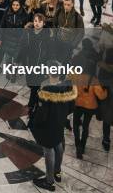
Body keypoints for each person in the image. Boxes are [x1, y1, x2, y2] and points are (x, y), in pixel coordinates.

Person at [29, 61, 77, 191]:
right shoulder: (68, 86)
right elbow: (71, 106)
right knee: (59, 144)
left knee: (49, 150)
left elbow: (42, 115)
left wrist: (34, 123)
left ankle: (49, 181)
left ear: (49, 72)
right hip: (59, 122)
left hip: (48, 126)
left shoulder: (47, 90)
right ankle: (58, 172)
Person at [70, 55, 106, 159]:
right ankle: (82, 146)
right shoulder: (94, 80)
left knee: (76, 125)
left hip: (78, 104)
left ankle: (77, 144)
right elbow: (101, 96)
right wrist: (106, 91)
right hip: (90, 107)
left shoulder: (76, 77)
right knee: (85, 126)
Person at [21, 14, 53, 112]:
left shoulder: (47, 36)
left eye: (39, 22)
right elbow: (22, 47)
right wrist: (18, 60)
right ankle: (37, 99)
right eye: (35, 21)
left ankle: (32, 105)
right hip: (29, 63)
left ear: (43, 23)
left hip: (40, 64)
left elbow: (50, 52)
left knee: (35, 86)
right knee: (30, 84)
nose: (37, 23)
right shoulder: (28, 33)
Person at [0, 0, 27, 82]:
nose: (15, 7)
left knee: (16, 59)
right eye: (13, 5)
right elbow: (2, 25)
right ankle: (8, 72)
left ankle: (13, 74)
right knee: (8, 58)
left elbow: (27, 27)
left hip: (18, 40)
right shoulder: (7, 12)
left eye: (17, 5)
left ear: (20, 5)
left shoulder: (24, 14)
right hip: (7, 39)